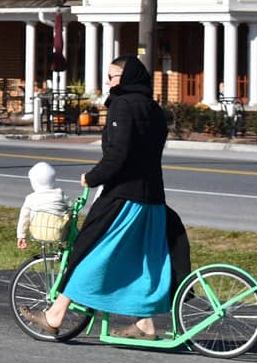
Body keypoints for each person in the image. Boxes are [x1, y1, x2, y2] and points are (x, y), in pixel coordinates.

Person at [19, 54, 191, 340]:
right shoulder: (153, 108)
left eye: (112, 76)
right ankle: (145, 322)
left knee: (89, 252)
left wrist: (94, 176)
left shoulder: (123, 106)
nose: (108, 81)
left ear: (126, 79)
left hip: (123, 197)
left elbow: (118, 155)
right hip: (153, 200)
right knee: (140, 260)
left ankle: (55, 313)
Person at [15, 162, 70, 250]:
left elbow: (24, 218)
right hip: (58, 234)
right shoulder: (61, 196)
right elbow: (71, 207)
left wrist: (21, 235)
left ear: (34, 182)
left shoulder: (30, 198)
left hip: (37, 232)